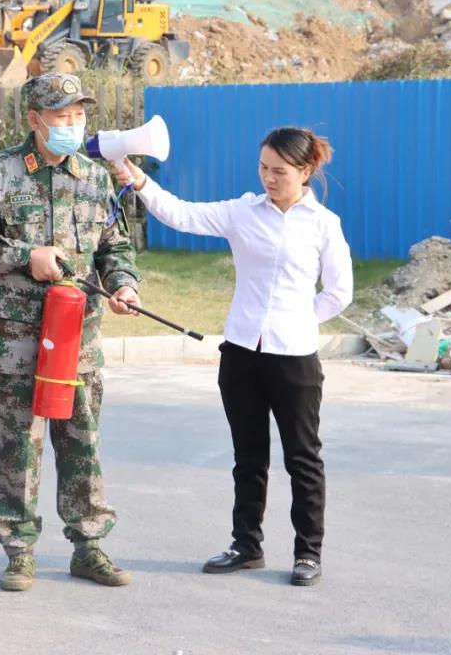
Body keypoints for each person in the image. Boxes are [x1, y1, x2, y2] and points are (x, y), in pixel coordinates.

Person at [113, 127, 352, 586]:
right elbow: (181, 214)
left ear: (305, 171)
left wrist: (299, 320)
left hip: (294, 359)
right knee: (248, 456)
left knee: (303, 458)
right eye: (263, 168)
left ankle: (308, 553)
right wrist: (139, 181)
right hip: (241, 353)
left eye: (279, 171)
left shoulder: (324, 224)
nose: (269, 178)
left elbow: (340, 291)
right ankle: (246, 545)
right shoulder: (242, 212)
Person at [0, 72, 143, 592]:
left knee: (82, 445)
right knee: (17, 448)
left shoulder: (95, 178)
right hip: (13, 342)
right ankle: (19, 551)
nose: (72, 124)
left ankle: (89, 546)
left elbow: (114, 246)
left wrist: (123, 285)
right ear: (36, 119)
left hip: (78, 340)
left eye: (79, 114)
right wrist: (24, 256)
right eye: (62, 115)